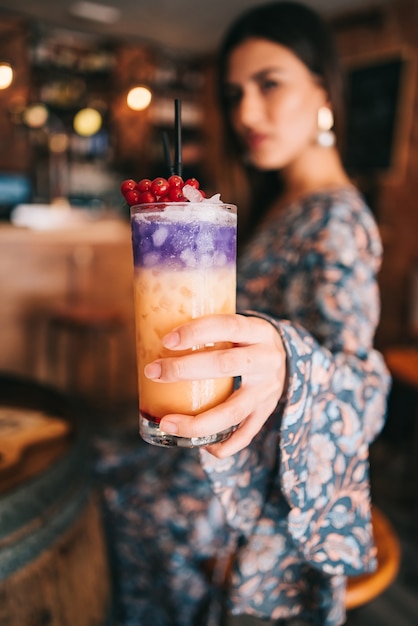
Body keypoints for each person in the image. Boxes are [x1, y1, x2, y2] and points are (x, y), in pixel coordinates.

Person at [94, 2, 391, 625]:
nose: (245, 113)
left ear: (324, 91)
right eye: (234, 94)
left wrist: (290, 360)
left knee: (102, 493)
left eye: (270, 84)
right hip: (197, 443)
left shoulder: (335, 220)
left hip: (237, 482)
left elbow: (360, 391)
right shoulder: (278, 204)